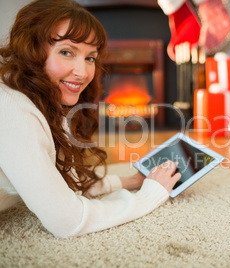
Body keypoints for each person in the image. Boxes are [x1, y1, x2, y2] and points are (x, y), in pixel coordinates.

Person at [0, 0, 181, 238]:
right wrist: (150, 195)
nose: (83, 72)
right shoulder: (15, 110)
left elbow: (66, 185)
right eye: (66, 52)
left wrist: (132, 181)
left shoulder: (43, 101)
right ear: (31, 52)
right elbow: (67, 222)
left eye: (90, 58)